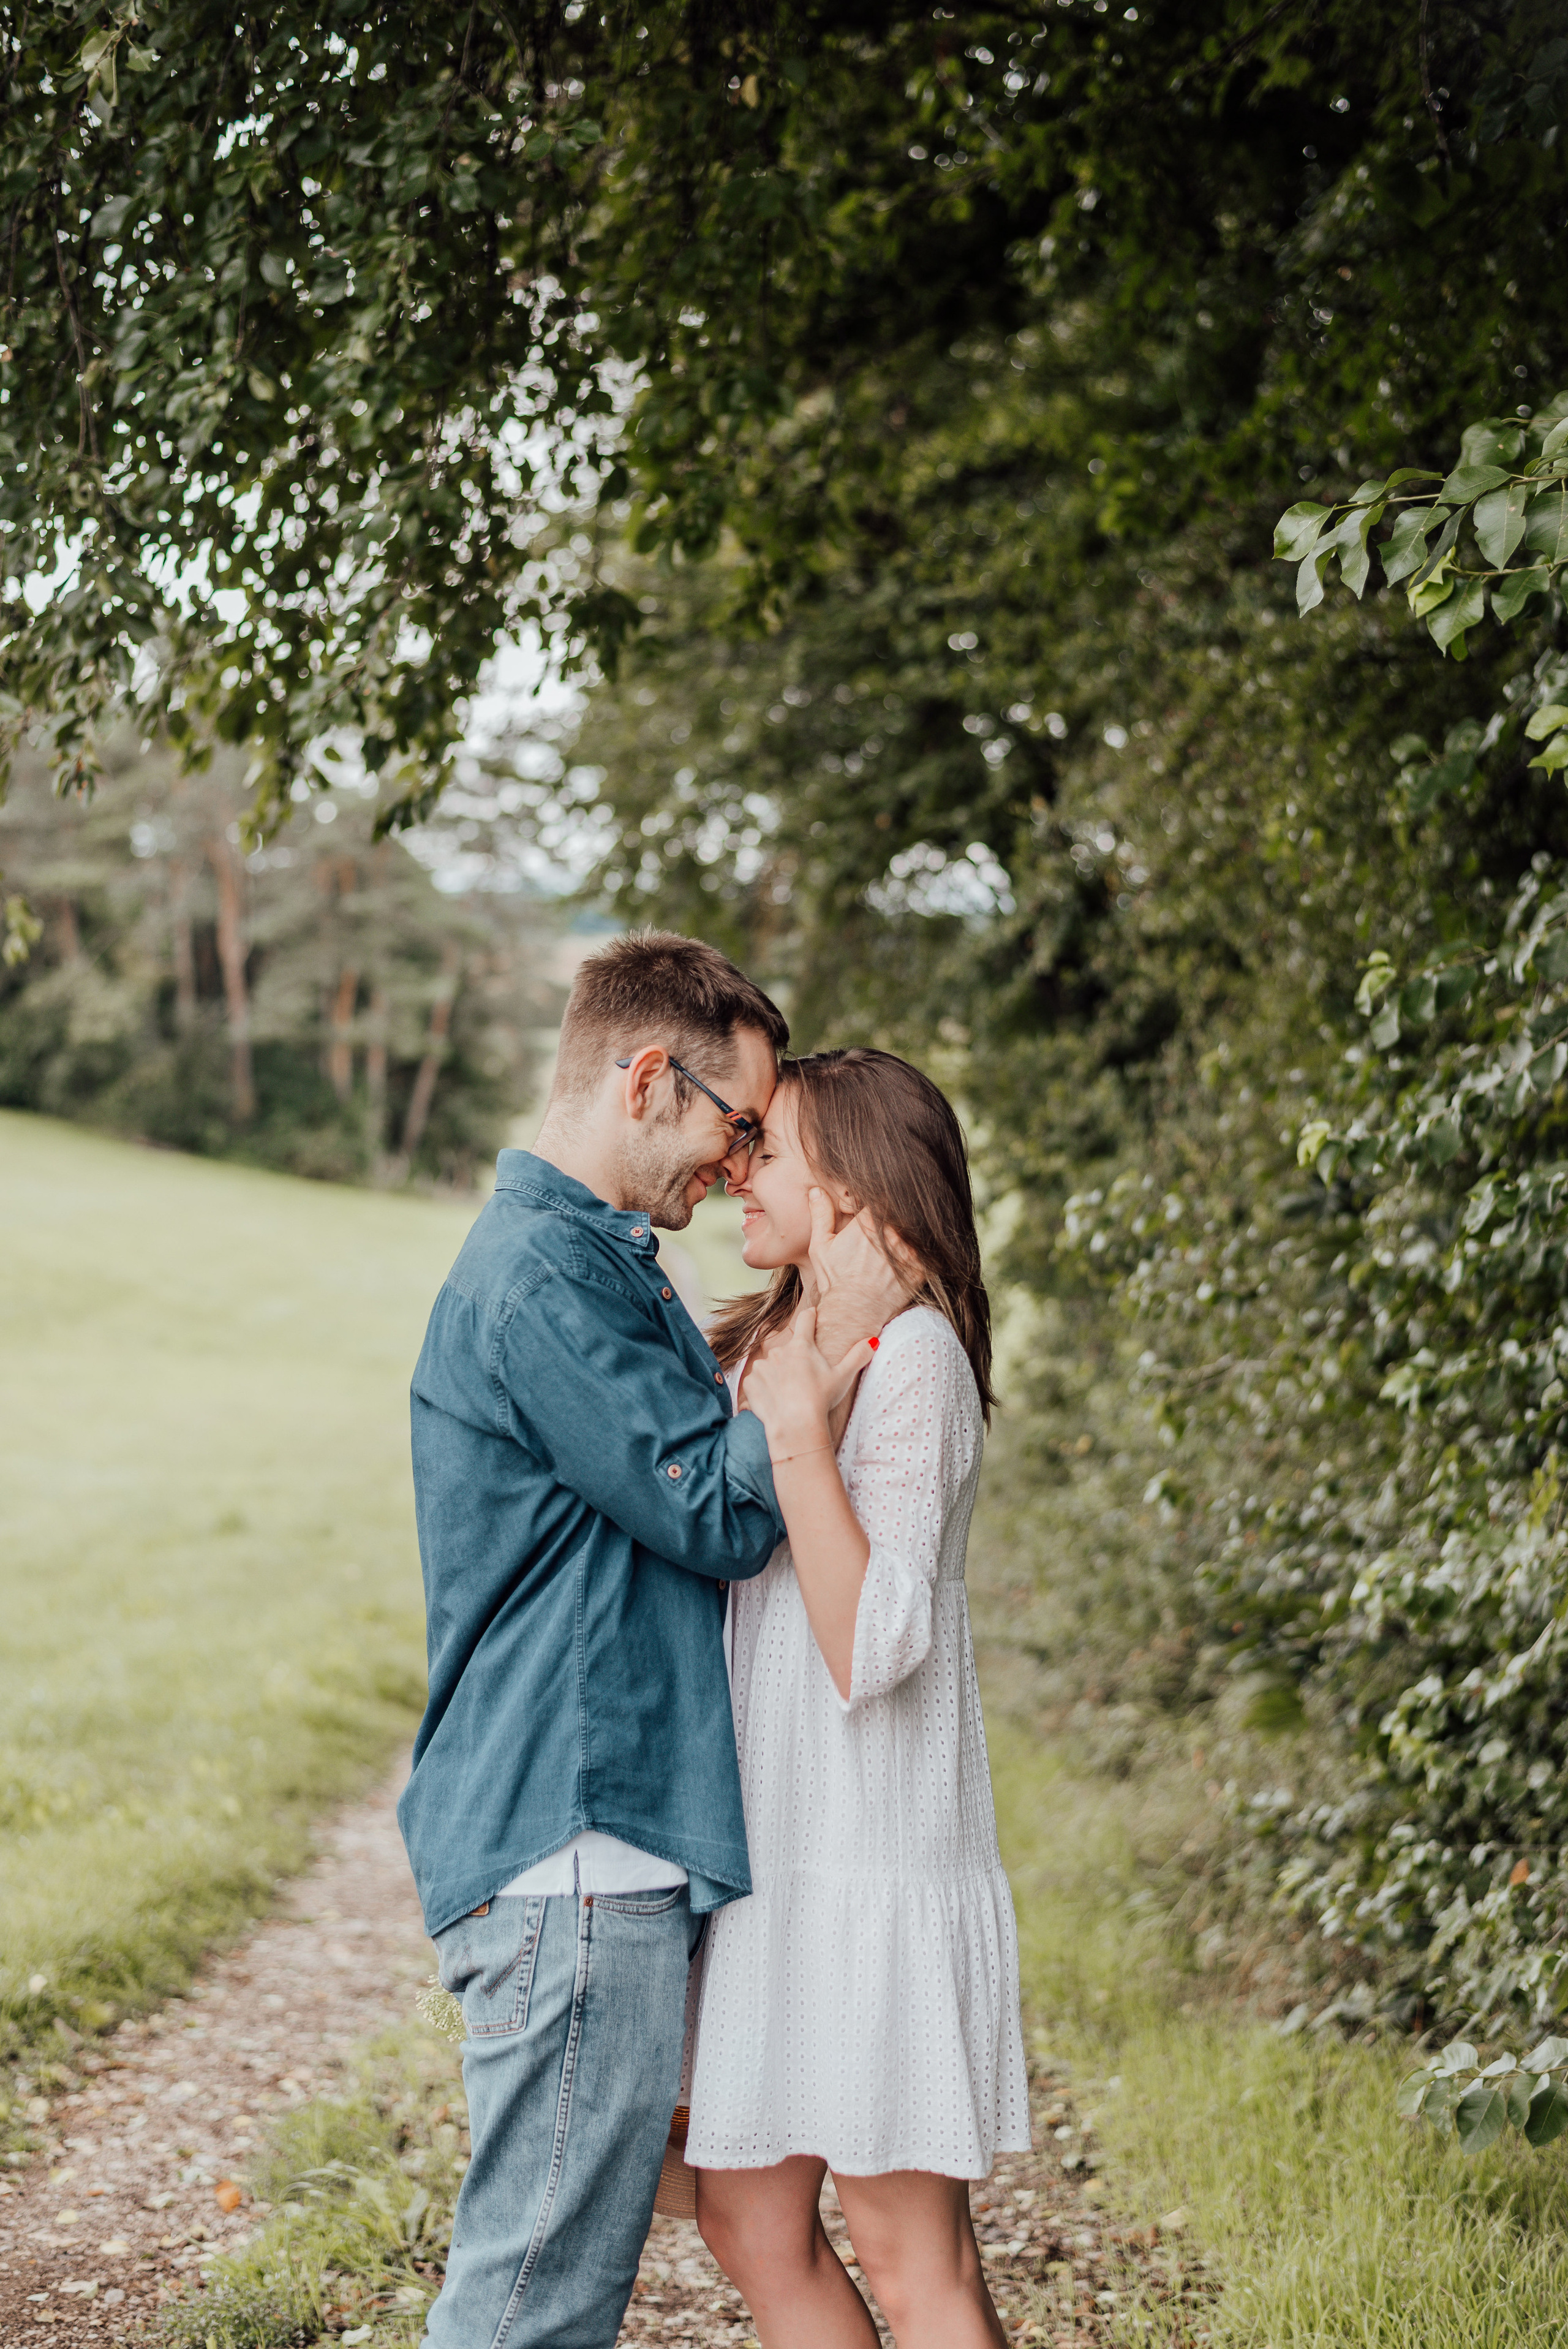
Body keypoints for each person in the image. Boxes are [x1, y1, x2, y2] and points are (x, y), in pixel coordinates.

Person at [398, 936, 904, 2349]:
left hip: (596, 1843)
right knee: (533, 2301)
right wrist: (830, 1352)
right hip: (574, 1838)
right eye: (737, 1125)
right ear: (644, 1081)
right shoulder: (543, 1281)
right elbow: (713, 1508)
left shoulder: (594, 1265)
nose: (740, 1167)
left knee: (550, 2283)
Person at [687, 1047, 1031, 2349]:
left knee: (908, 2251)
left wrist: (794, 1437)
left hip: (870, 1854)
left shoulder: (918, 1360)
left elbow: (867, 1643)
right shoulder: (779, 1341)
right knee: (747, 2218)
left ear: (850, 1179)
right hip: (776, 1855)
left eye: (767, 1149)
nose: (738, 1170)